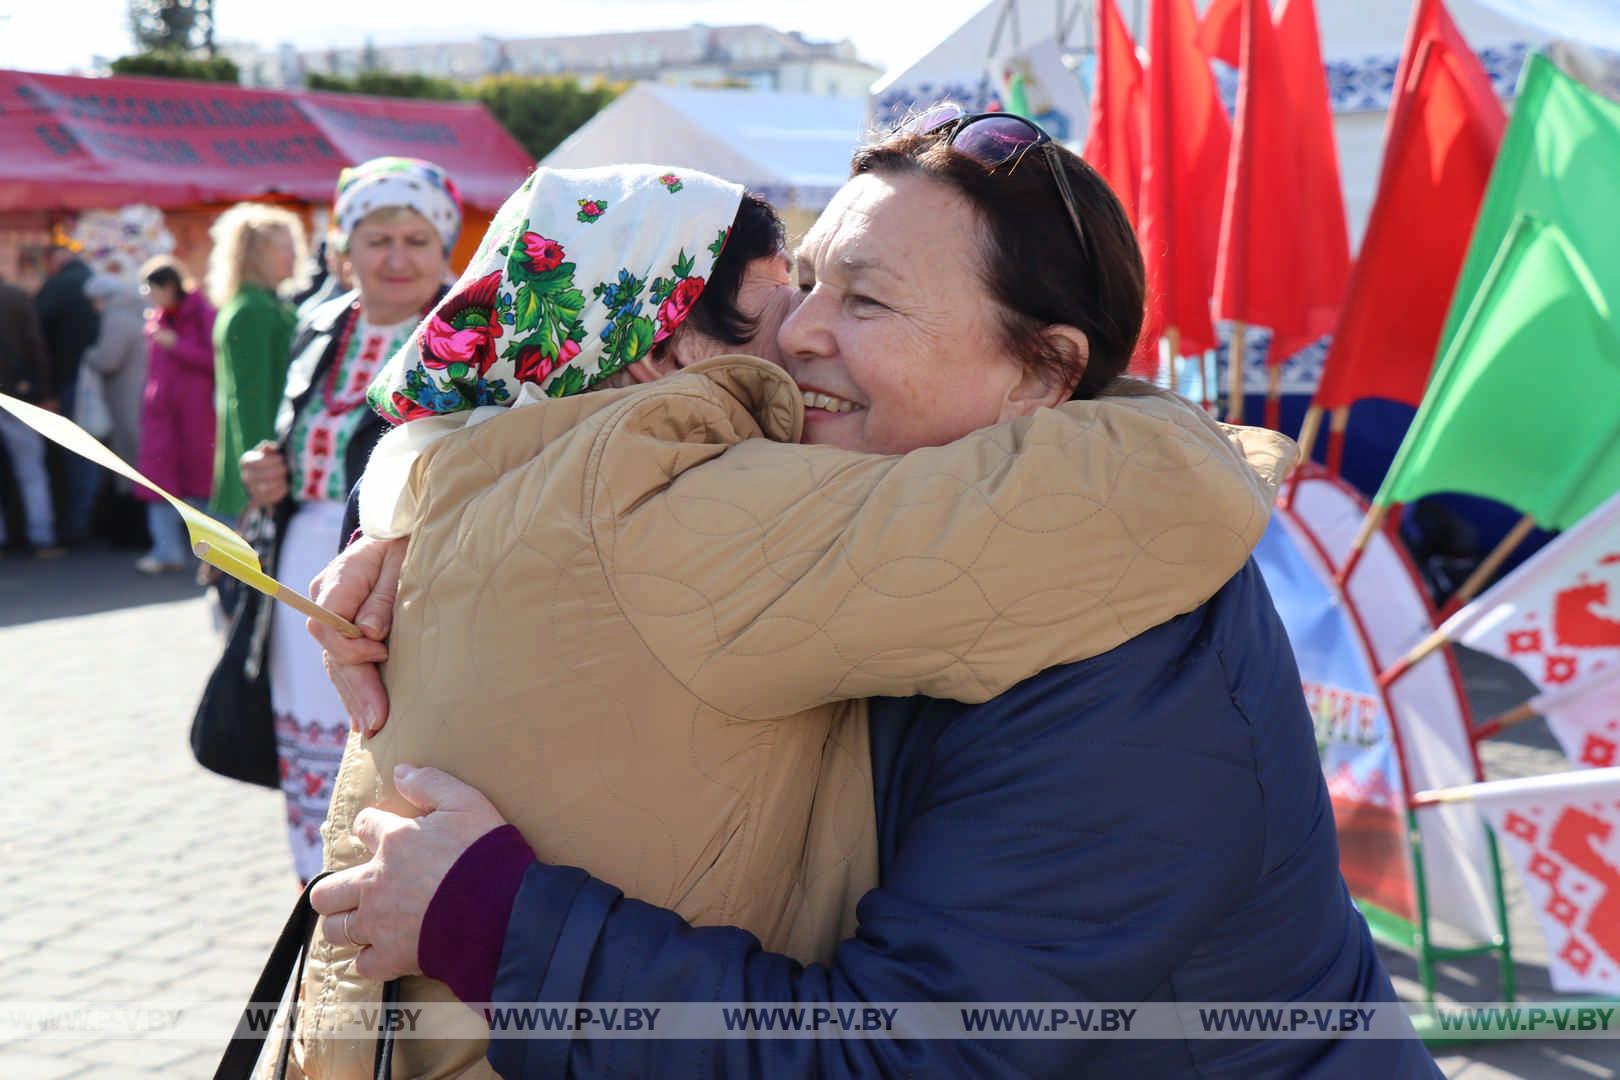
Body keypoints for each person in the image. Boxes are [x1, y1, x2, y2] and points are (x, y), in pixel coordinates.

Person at [308, 112, 1440, 1078]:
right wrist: (452, 539)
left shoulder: (1133, 639)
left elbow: (909, 1054)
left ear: (1040, 374)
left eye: (867, 302)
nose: (796, 336)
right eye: (804, 283)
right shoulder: (851, 534)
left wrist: (501, 924)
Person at [231, 157, 461, 884]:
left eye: (417, 240)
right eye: (378, 238)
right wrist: (267, 475)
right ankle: (314, 888)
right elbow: (297, 440)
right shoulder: (318, 327)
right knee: (305, 740)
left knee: (381, 742)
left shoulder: (465, 338)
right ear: (344, 249)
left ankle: (381, 895)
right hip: (300, 565)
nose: (396, 258)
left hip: (399, 580)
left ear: (445, 249)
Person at [205, 203, 306, 525]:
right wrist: (261, 481)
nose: (294, 254)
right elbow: (249, 403)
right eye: (283, 247)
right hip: (266, 472)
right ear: (255, 253)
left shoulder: (265, 305)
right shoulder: (253, 310)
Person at [132, 257, 215, 574]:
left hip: (197, 414)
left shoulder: (203, 315)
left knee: (201, 486)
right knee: (158, 482)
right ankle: (166, 550)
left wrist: (176, 345)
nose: (149, 297)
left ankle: (212, 554)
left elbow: (213, 361)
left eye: (151, 289)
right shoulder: (158, 319)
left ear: (168, 287)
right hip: (162, 415)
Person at [34, 239, 101, 542]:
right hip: (96, 384)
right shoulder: (93, 281)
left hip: (68, 383)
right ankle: (90, 522)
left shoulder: (55, 288)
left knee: (73, 457)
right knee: (94, 455)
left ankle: (75, 526)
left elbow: (38, 340)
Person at [0, 270, 60, 557]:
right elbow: (35, 346)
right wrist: (45, 392)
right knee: (31, 471)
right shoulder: (15, 297)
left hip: (14, 394)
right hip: (18, 395)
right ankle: (42, 537)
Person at [82, 273, 150, 477]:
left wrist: (89, 355)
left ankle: (136, 500)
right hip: (138, 386)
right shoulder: (133, 309)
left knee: (130, 449)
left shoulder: (116, 317)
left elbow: (108, 360)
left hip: (126, 392)